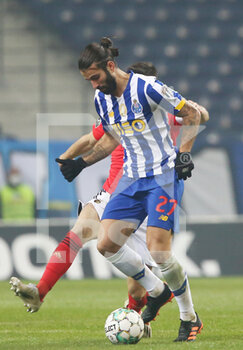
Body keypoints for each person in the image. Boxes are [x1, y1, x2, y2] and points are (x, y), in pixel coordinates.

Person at [10, 54, 207, 341]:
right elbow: (97, 138)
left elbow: (196, 114)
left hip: (159, 182)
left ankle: (148, 311)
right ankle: (41, 291)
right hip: (119, 189)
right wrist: (72, 160)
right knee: (81, 235)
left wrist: (185, 145)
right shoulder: (110, 104)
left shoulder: (159, 105)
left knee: (143, 277)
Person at [73, 37, 203, 343]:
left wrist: (184, 153)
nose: (93, 85)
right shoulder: (101, 100)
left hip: (162, 176)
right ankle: (157, 291)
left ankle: (189, 317)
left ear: (110, 66)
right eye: (88, 81)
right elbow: (111, 139)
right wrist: (82, 162)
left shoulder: (148, 87)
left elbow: (192, 114)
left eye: (95, 78)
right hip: (131, 178)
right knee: (106, 244)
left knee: (159, 250)